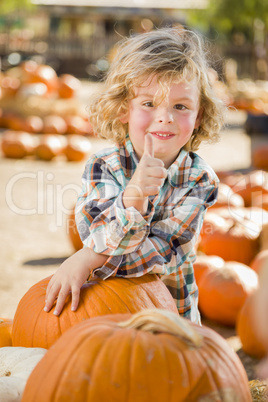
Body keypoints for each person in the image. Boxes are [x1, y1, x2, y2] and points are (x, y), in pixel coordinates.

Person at [44, 26, 225, 322]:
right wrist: (133, 197)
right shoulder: (104, 166)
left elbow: (162, 255)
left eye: (180, 106)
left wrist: (90, 258)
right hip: (106, 312)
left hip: (171, 318)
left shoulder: (199, 179)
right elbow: (93, 228)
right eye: (149, 103)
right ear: (123, 109)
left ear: (199, 115)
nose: (165, 116)